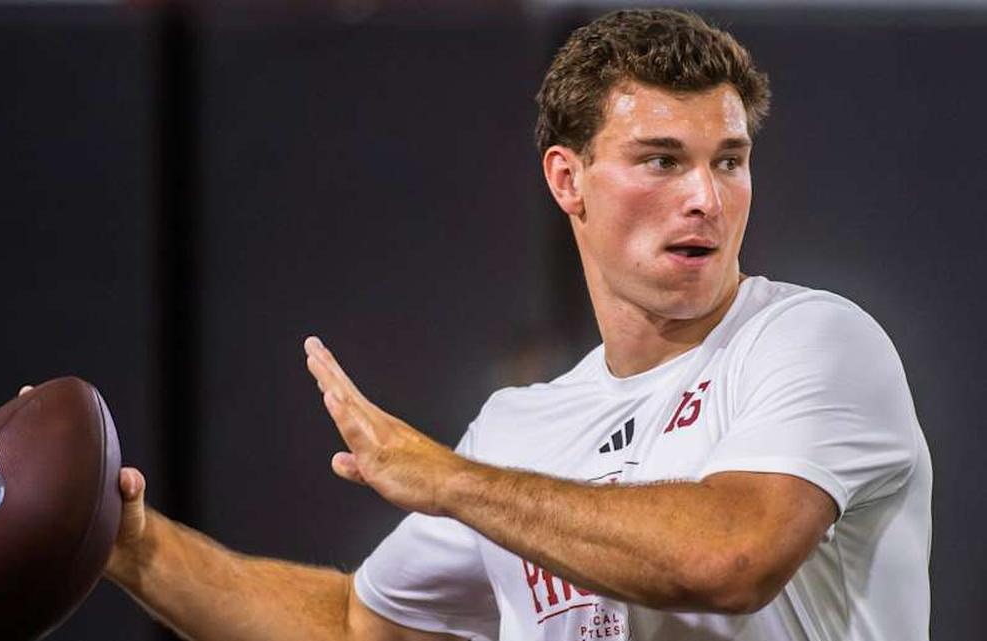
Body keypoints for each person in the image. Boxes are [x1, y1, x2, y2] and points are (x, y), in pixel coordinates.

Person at [78, 8, 933, 641]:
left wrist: (453, 481)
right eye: (661, 160)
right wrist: (129, 547)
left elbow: (733, 556)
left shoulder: (813, 341)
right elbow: (349, 627)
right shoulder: (518, 430)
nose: (705, 197)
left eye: (729, 162)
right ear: (569, 179)